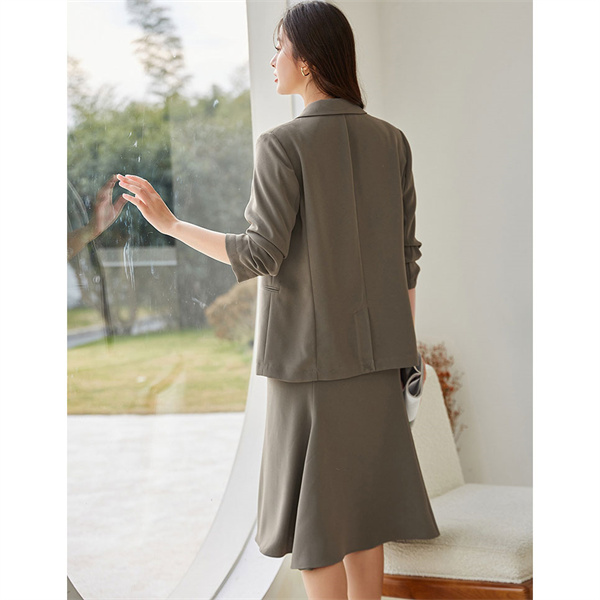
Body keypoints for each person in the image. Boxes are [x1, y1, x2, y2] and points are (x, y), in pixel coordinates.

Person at [117, 1, 439, 598]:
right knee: (363, 520)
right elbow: (407, 259)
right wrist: (405, 355)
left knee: (316, 532)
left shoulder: (282, 145)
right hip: (382, 364)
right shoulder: (392, 142)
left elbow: (261, 253)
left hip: (307, 365)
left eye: (279, 48)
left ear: (307, 60)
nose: (273, 61)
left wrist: (172, 226)